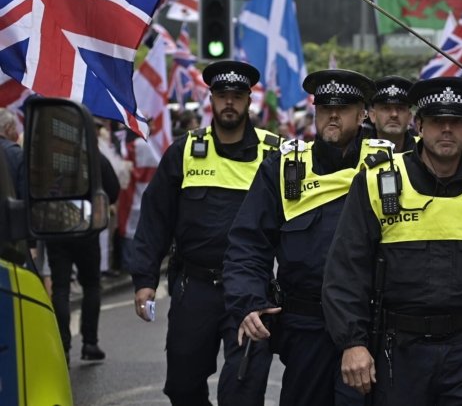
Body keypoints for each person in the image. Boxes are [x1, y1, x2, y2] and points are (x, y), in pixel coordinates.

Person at [321, 76, 462, 404]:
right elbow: (345, 270)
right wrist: (352, 343)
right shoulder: (377, 181)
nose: (447, 130)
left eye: (456, 121)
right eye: (438, 121)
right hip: (399, 354)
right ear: (420, 125)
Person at [223, 69, 378, 406]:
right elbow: (248, 243)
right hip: (306, 326)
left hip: (370, 325)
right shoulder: (283, 168)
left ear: (362, 114)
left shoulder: (387, 168)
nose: (332, 116)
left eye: (343, 108)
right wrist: (249, 301)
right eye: (324, 108)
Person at [130, 60, 280, 406]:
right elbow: (156, 217)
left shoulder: (274, 153)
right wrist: (144, 279)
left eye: (237, 96)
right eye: (222, 95)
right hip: (194, 288)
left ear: (249, 100)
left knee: (243, 390)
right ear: (210, 99)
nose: (229, 102)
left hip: (250, 290)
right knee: (182, 388)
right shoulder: (184, 150)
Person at [48, 147, 120, 365]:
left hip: (56, 226)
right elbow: (113, 190)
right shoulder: (95, 156)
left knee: (61, 288)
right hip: (86, 226)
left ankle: (63, 346)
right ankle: (90, 343)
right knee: (91, 285)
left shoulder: (53, 154)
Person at [369, 76, 417, 153]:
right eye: (386, 108)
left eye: (400, 108)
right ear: (373, 115)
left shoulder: (423, 151)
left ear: (409, 117)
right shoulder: (357, 151)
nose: (394, 114)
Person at [0, 108, 23, 198]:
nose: (16, 133)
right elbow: (24, 197)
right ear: (8, 128)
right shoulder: (17, 154)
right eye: (14, 128)